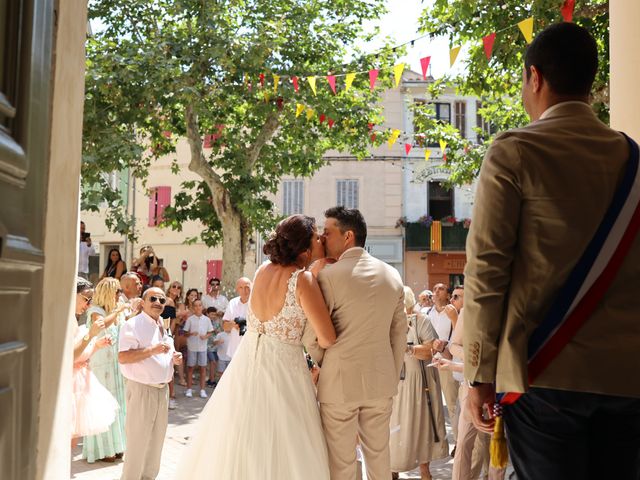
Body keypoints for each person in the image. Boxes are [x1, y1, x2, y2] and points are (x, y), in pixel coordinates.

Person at [463, 22, 640, 479]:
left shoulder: (514, 151)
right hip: (627, 376)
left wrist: (479, 375)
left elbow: (486, 272)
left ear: (535, 77)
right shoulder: (634, 160)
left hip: (543, 373)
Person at [178, 214, 336, 479]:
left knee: (243, 438)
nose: (322, 239)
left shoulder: (262, 270)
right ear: (305, 248)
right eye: (317, 236)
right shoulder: (303, 279)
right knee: (286, 442)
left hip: (247, 363)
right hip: (284, 368)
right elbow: (328, 338)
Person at [303, 206, 407, 480]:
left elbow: (312, 335)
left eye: (327, 232)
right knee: (379, 459)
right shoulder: (392, 275)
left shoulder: (327, 277)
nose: (322, 239)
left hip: (339, 382)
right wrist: (391, 375)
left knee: (341, 464)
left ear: (348, 236)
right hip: (381, 381)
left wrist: (324, 363)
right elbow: (399, 334)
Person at [118, 287, 183, 480]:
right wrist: (152, 350)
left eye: (162, 300)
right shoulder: (133, 325)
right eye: (153, 298)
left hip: (162, 391)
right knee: (137, 444)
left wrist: (174, 358)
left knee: (155, 446)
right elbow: (123, 357)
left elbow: (165, 353)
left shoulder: (162, 325)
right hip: (142, 390)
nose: (157, 303)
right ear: (143, 302)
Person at [390, 287, 448, 480]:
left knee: (421, 423)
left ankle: (424, 472)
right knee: (395, 424)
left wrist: (408, 349)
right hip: (396, 383)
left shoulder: (421, 320)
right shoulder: (388, 321)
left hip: (419, 381)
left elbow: (430, 350)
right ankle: (393, 469)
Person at [83, 278, 129, 463]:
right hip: (101, 365)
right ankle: (103, 450)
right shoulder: (96, 311)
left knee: (117, 404)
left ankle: (117, 446)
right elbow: (102, 324)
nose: (119, 295)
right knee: (103, 405)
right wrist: (118, 310)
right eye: (117, 292)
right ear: (108, 292)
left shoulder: (113, 312)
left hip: (115, 364)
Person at [72, 278, 119, 444]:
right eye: (86, 298)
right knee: (68, 436)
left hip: (81, 380)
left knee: (73, 437)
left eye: (91, 300)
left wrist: (97, 345)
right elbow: (71, 357)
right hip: (71, 384)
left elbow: (80, 353)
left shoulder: (74, 318)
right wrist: (90, 335)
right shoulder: (67, 320)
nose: (88, 304)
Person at [428, 282, 460, 448]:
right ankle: (437, 445)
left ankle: (458, 442)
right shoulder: (426, 313)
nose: (436, 291)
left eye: (440, 289)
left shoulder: (454, 313)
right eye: (434, 289)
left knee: (453, 404)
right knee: (432, 405)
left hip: (448, 363)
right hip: (429, 364)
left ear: (448, 295)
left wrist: (444, 346)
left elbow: (459, 337)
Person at [183, 299, 213, 399]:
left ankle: (202, 390)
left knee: (203, 368)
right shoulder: (190, 319)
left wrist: (206, 336)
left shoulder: (207, 319)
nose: (198, 307)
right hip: (192, 346)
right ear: (193, 308)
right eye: (195, 306)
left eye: (199, 305)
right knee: (190, 367)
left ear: (202, 307)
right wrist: (191, 333)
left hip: (202, 347)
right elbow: (185, 333)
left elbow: (210, 332)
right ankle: (189, 389)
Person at [221, 277, 251, 358]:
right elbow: (224, 327)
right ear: (237, 289)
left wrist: (246, 326)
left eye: (247, 287)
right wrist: (233, 324)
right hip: (235, 349)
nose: (244, 291)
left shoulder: (256, 304)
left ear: (252, 288)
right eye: (241, 287)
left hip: (250, 349)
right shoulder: (232, 303)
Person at [205, 306, 222, 386]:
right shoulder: (204, 322)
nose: (213, 316)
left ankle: (211, 379)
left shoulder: (216, 322)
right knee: (213, 362)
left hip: (215, 347)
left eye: (215, 314)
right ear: (207, 314)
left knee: (214, 363)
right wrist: (213, 331)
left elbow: (219, 332)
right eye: (212, 314)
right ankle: (211, 380)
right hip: (208, 347)